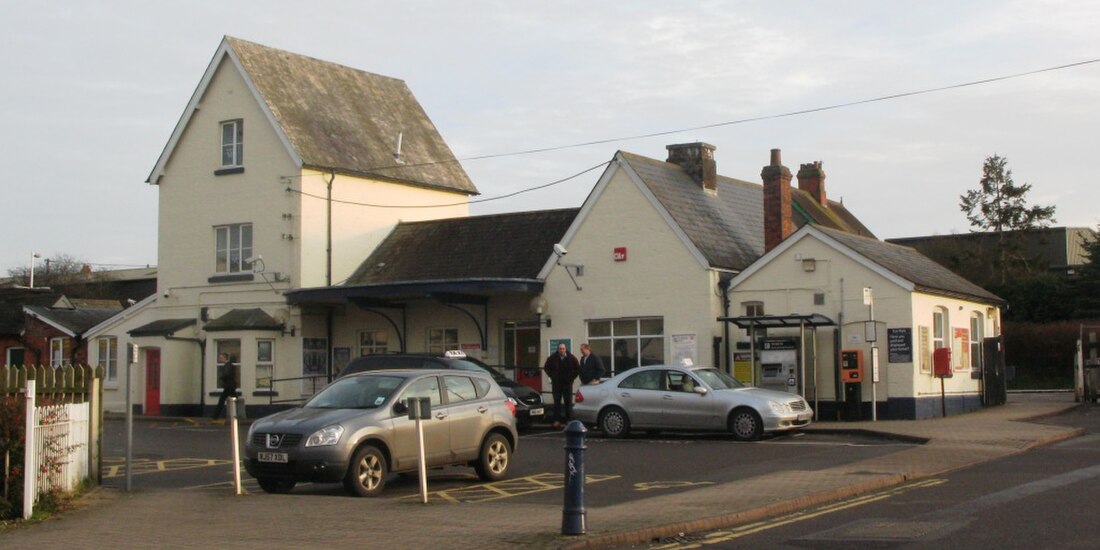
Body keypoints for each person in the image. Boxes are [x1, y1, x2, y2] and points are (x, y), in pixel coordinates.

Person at [543, 342, 579, 428]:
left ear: (565, 349)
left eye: (563, 348)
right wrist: (552, 376)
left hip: (567, 384)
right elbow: (546, 367)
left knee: (568, 402)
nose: (562, 350)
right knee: (556, 402)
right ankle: (556, 421)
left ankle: (569, 420)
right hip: (556, 384)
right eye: (560, 349)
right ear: (558, 349)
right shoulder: (553, 357)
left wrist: (571, 378)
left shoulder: (571, 358)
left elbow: (577, 368)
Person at [212, 353, 239, 419]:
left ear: (225, 358)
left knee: (222, 400)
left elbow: (226, 374)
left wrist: (221, 377)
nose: (219, 359)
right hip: (230, 386)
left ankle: (215, 417)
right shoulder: (228, 365)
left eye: (221, 358)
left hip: (229, 386)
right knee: (233, 400)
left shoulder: (228, 365)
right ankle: (216, 416)